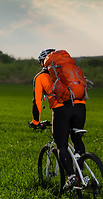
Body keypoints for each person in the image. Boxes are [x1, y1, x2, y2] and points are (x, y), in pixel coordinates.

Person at [29, 48, 87, 190]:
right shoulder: (68, 72)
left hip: (62, 110)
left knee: (61, 145)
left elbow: (37, 102)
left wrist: (36, 122)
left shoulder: (40, 77)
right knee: (77, 139)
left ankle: (72, 177)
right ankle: (81, 174)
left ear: (43, 63)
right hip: (80, 106)